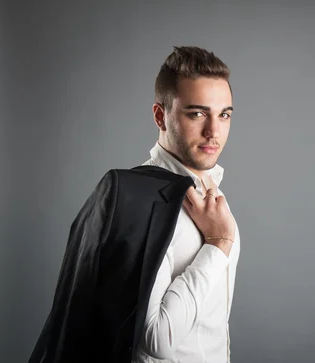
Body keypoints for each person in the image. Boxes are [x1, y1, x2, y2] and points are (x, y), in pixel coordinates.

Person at [28, 46, 240, 363]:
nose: (213, 131)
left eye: (223, 114)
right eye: (196, 113)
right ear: (160, 115)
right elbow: (156, 339)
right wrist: (218, 244)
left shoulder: (212, 198)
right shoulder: (139, 200)